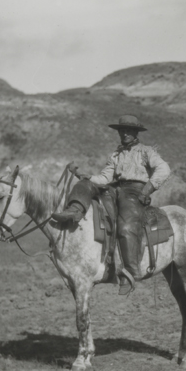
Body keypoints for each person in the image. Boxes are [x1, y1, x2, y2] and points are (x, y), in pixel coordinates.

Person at [52, 114, 171, 294]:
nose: (124, 134)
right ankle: (75, 210)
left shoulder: (146, 152)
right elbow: (105, 177)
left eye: (128, 131)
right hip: (115, 188)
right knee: (84, 185)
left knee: (126, 227)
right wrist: (87, 177)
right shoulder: (116, 154)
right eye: (122, 131)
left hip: (134, 192)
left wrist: (148, 189)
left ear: (135, 132)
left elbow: (164, 169)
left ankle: (130, 272)